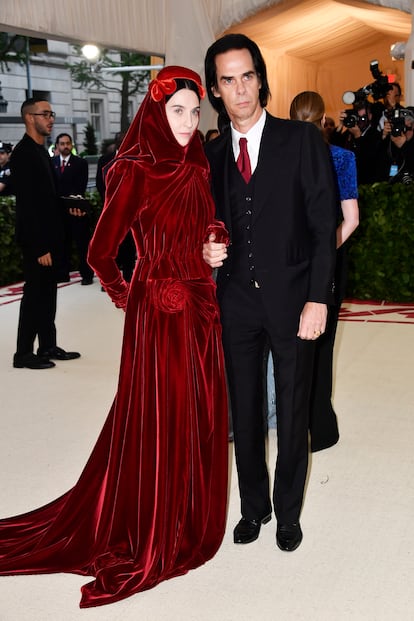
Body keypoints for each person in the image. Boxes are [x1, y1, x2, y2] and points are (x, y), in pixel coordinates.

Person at [0, 66, 229, 608]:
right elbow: (102, 251)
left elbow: (209, 221)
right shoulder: (136, 170)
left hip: (201, 303)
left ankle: (186, 512)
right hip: (161, 306)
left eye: (195, 113)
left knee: (198, 411)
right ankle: (152, 522)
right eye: (178, 111)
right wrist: (132, 296)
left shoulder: (196, 158)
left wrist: (212, 242)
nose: (188, 122)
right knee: (161, 411)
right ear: (154, 111)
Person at [203, 34, 337, 552]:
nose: (240, 89)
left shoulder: (301, 141)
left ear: (261, 78)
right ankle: (253, 508)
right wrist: (203, 250)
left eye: (247, 76)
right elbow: (204, 226)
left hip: (294, 299)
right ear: (216, 90)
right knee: (245, 409)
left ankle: (287, 513)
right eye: (227, 80)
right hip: (235, 301)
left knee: (295, 409)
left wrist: (318, 298)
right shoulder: (212, 156)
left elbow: (324, 227)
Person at [290, 91, 359, 452]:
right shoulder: (341, 157)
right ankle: (320, 427)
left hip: (288, 262)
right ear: (323, 121)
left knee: (289, 343)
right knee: (322, 342)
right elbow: (352, 220)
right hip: (327, 262)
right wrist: (324, 254)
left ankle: (290, 424)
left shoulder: (281, 158)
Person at [10, 98, 81, 370]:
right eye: (45, 114)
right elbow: (28, 205)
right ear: (29, 118)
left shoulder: (41, 151)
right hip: (36, 240)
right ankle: (23, 353)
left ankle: (47, 345)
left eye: (52, 114)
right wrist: (40, 247)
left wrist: (70, 209)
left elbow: (47, 199)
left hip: (49, 235)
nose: (51, 119)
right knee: (35, 294)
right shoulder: (24, 154)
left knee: (48, 293)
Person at [52, 133, 94, 285]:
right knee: (62, 243)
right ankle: (63, 273)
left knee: (82, 244)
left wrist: (73, 203)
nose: (65, 146)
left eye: (68, 143)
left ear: (72, 145)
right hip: (58, 211)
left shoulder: (80, 163)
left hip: (76, 209)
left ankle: (87, 274)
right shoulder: (52, 163)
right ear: (57, 146)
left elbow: (80, 186)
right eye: (62, 144)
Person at [95, 131, 136, 282]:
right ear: (117, 142)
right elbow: (100, 184)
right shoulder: (104, 160)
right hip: (110, 209)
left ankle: (128, 275)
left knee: (129, 244)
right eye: (121, 140)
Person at [331, 101, 381, 184]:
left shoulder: (375, 135)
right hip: (347, 181)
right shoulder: (349, 133)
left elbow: (368, 161)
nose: (360, 120)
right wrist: (340, 126)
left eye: (363, 117)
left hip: (366, 182)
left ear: (370, 116)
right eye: (358, 117)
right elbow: (333, 147)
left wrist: (358, 136)